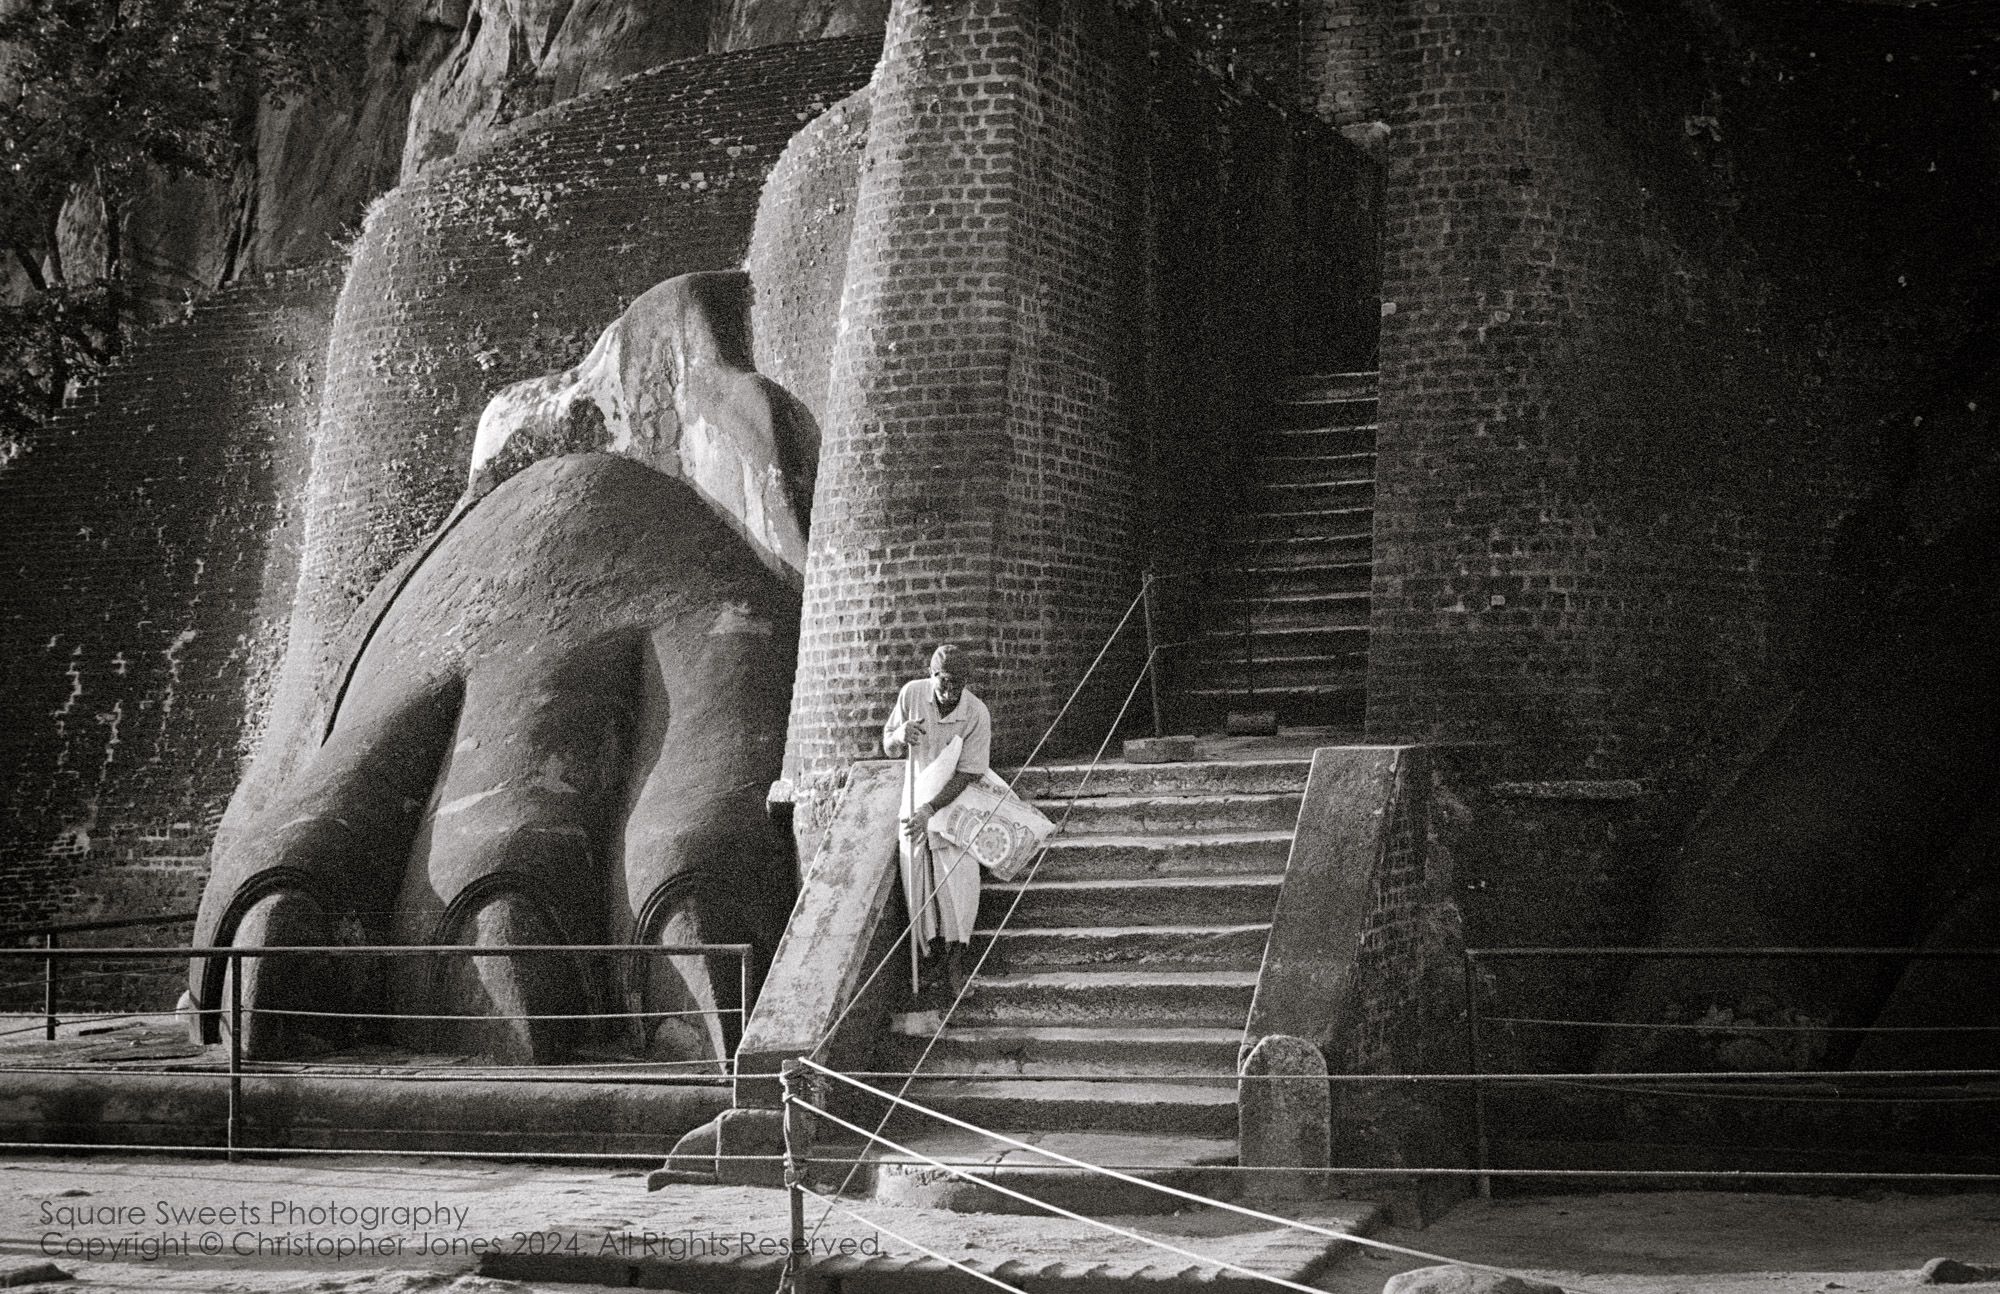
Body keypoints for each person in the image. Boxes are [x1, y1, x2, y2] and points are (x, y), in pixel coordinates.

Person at [882, 644, 992, 1003]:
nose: (949, 691)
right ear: (932, 676)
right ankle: (928, 956)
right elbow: (888, 744)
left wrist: (931, 809)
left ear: (967, 681)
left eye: (957, 684)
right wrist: (901, 736)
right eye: (944, 682)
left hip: (954, 805)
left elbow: (967, 775)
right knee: (916, 880)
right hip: (913, 806)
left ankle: (956, 958)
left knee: (959, 881)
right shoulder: (912, 695)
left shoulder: (976, 712)